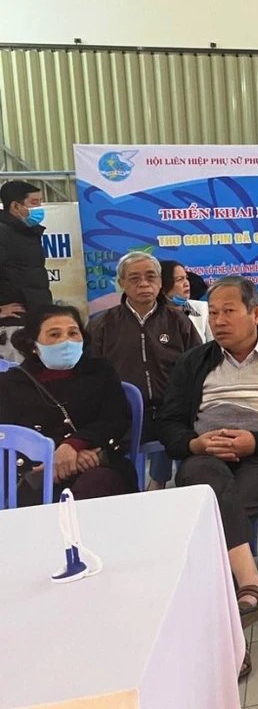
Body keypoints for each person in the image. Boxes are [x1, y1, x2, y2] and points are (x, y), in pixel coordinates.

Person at [157, 276, 258, 631]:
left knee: (213, 511)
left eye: (229, 311)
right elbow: (169, 424)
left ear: (256, 314)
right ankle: (249, 584)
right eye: (213, 312)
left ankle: (225, 621)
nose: (218, 321)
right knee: (205, 481)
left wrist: (256, 442)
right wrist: (195, 444)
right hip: (206, 457)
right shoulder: (192, 362)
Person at [0, 304, 137, 505]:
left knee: (97, 484)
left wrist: (74, 446)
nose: (66, 341)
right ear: (33, 345)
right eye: (54, 335)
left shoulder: (100, 371)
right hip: (36, 472)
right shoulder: (12, 383)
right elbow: (8, 434)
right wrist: (51, 459)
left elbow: (116, 419)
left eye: (73, 333)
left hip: (95, 463)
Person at [88, 253, 202, 490]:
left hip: (173, 412)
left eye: (150, 277)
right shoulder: (102, 324)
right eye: (134, 278)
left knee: (196, 457)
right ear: (121, 283)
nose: (143, 284)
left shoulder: (178, 320)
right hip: (123, 416)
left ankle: (171, 489)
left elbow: (199, 365)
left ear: (160, 282)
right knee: (108, 464)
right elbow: (91, 375)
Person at [0, 180, 51, 363]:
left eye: (41, 202)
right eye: (34, 203)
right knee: (17, 378)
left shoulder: (27, 233)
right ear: (15, 206)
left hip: (33, 322)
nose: (40, 208)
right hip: (12, 328)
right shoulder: (3, 233)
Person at [159, 259, 212, 342]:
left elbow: (213, 344)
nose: (186, 283)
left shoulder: (203, 308)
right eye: (179, 279)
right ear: (163, 287)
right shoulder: (154, 315)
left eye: (186, 278)